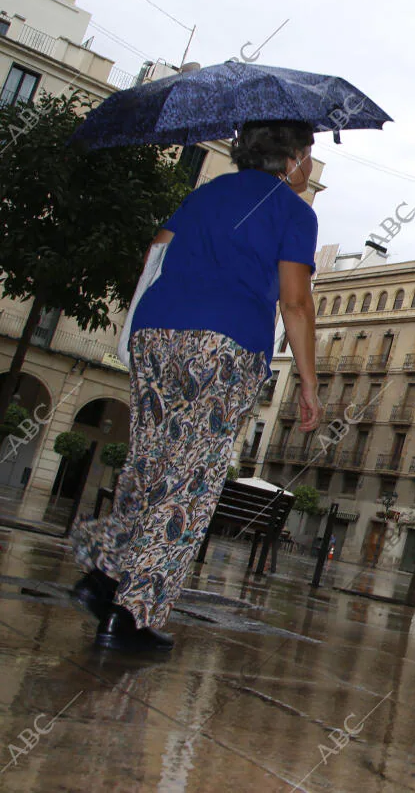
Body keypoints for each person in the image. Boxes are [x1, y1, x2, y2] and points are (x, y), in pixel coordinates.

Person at [70, 120, 322, 652]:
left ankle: (106, 573)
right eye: (308, 153)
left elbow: (154, 255)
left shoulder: (205, 194)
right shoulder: (294, 212)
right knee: (189, 482)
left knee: (150, 463)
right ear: (290, 157)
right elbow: (295, 303)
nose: (310, 164)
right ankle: (130, 617)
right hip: (224, 347)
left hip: (157, 334)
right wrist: (308, 381)